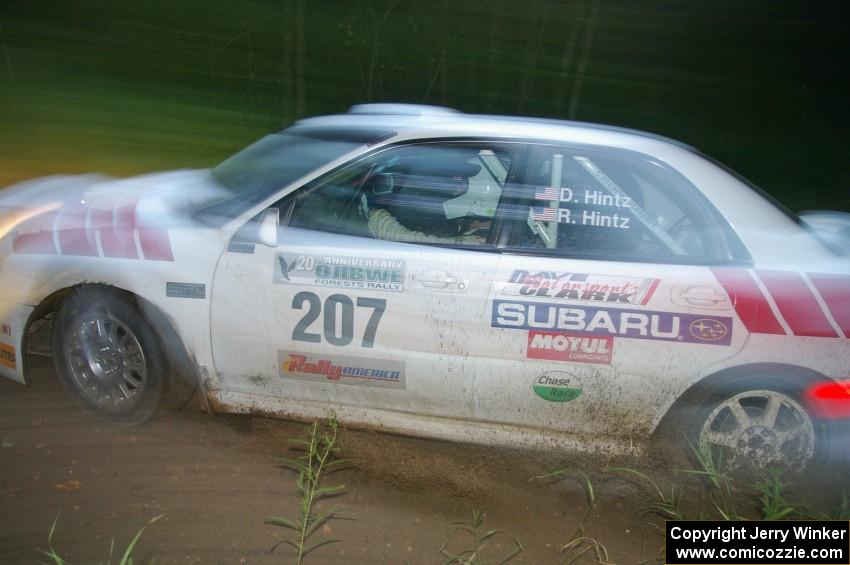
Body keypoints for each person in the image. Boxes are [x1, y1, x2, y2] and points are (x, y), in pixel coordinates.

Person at [365, 155, 490, 245]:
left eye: (461, 176)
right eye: (456, 175)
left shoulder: (423, 200)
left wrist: (470, 224)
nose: (461, 180)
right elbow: (441, 235)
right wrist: (472, 225)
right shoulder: (413, 207)